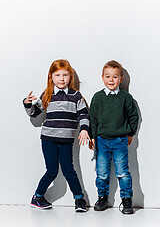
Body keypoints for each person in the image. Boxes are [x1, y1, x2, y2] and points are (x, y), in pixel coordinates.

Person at [23, 59, 90, 212]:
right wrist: (28, 104)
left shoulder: (75, 96)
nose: (61, 78)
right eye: (57, 75)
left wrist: (85, 129)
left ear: (70, 77)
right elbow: (35, 115)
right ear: (51, 77)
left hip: (66, 140)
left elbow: (84, 114)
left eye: (65, 75)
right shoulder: (47, 94)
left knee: (69, 170)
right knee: (51, 171)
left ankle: (79, 199)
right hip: (48, 139)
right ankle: (37, 197)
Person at [89, 60, 139, 214]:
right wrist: (92, 137)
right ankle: (102, 198)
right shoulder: (98, 97)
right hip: (102, 141)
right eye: (108, 76)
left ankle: (127, 201)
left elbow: (134, 116)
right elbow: (93, 119)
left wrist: (130, 133)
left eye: (115, 77)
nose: (111, 80)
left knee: (123, 172)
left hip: (120, 141)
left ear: (121, 79)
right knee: (102, 173)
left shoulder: (125, 97)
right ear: (102, 78)